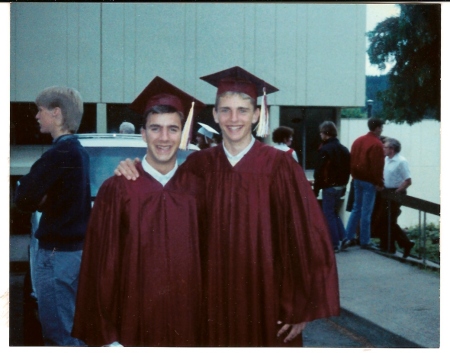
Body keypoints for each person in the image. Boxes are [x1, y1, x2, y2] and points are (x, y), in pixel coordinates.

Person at [115, 66, 339, 347]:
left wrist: (302, 305)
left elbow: (306, 237)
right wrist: (133, 168)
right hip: (211, 300)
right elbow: (163, 203)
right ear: (216, 115)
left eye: (243, 110)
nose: (234, 119)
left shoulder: (280, 166)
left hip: (268, 299)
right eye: (226, 110)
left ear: (257, 115)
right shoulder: (199, 166)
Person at [72, 76, 206, 347]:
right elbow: (101, 268)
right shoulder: (118, 190)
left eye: (173, 129)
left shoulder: (199, 191)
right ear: (143, 133)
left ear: (183, 134)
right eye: (155, 129)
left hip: (189, 324)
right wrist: (110, 338)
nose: (164, 138)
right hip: (133, 327)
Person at [14, 86, 90, 346]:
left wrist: (40, 198)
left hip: (56, 256)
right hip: (73, 255)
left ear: (56, 113)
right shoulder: (78, 151)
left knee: (59, 334)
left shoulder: (58, 154)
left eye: (40, 110)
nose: (36, 116)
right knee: (70, 328)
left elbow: (23, 197)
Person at [342, 117, 385, 250]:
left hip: (357, 179)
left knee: (356, 209)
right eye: (381, 127)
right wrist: (379, 182)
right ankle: (365, 241)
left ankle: (347, 237)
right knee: (366, 212)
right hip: (369, 181)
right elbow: (377, 167)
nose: (382, 129)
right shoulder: (377, 144)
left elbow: (352, 159)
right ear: (377, 128)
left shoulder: (358, 141)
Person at [312, 121, 350, 253]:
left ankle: (334, 243)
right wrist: (344, 186)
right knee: (333, 212)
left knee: (328, 214)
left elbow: (319, 171)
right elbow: (347, 170)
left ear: (326, 134)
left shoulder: (324, 149)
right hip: (340, 186)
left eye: (321, 132)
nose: (320, 135)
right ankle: (344, 237)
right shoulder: (344, 149)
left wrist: (316, 189)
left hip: (329, 186)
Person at [376, 138, 415, 258]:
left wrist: (397, 192)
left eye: (385, 147)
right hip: (386, 192)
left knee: (389, 219)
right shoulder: (386, 159)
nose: (383, 149)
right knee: (385, 219)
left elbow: (408, 181)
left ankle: (403, 243)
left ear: (392, 149)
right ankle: (390, 245)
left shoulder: (401, 161)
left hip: (396, 192)